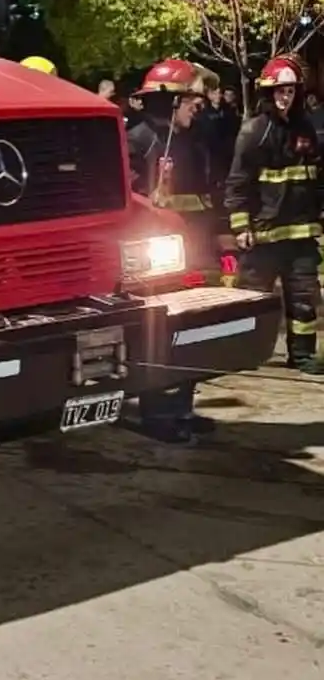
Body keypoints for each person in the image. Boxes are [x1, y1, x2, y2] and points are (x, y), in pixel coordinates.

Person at [126, 57, 221, 443]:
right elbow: (127, 202)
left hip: (191, 254)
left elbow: (200, 200)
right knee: (161, 335)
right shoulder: (139, 140)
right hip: (156, 261)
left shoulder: (190, 142)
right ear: (169, 102)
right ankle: (159, 414)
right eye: (190, 102)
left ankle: (183, 406)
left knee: (190, 333)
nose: (197, 108)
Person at [225, 54, 324, 376]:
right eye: (280, 91)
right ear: (268, 93)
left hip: (302, 235)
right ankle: (242, 355)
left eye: (291, 91)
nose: (286, 97)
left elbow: (316, 178)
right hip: (264, 236)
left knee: (305, 301)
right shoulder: (254, 132)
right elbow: (238, 183)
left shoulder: (306, 130)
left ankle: (303, 356)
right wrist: (241, 226)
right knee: (252, 300)